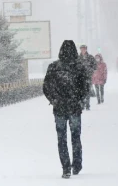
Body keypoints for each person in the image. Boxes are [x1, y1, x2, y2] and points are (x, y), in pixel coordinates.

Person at [43, 40, 90, 179]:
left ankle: (65, 167)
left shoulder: (53, 67)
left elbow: (46, 87)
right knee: (76, 137)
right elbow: (85, 87)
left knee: (61, 138)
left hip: (59, 108)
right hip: (74, 107)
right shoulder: (79, 67)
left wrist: (54, 99)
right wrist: (80, 100)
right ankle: (77, 164)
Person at [78, 45, 97, 110]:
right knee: (81, 91)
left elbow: (95, 66)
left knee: (87, 91)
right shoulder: (78, 58)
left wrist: (90, 70)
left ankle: (87, 105)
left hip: (88, 77)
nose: (83, 50)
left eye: (84, 49)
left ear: (86, 49)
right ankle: (82, 105)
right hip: (80, 78)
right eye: (81, 49)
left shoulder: (90, 57)